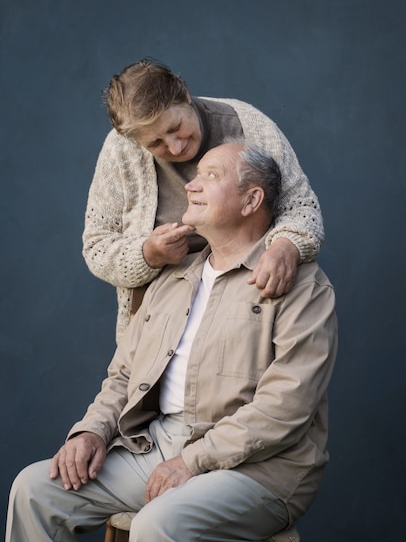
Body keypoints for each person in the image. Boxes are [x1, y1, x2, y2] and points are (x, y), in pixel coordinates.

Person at [6, 141, 337, 542]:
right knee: (35, 489)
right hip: (158, 445)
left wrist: (192, 461)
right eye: (195, 176)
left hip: (261, 468)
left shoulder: (302, 286)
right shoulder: (172, 279)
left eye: (211, 176)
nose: (192, 186)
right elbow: (123, 375)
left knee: (159, 523)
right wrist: (91, 432)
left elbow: (286, 407)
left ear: (251, 200)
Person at [82, 58, 325, 342]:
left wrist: (287, 248)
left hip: (248, 306)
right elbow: (97, 247)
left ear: (185, 93)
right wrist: (148, 254)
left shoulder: (250, 126)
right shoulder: (121, 151)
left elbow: (301, 206)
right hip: (156, 322)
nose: (175, 146)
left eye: (176, 128)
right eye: (155, 144)